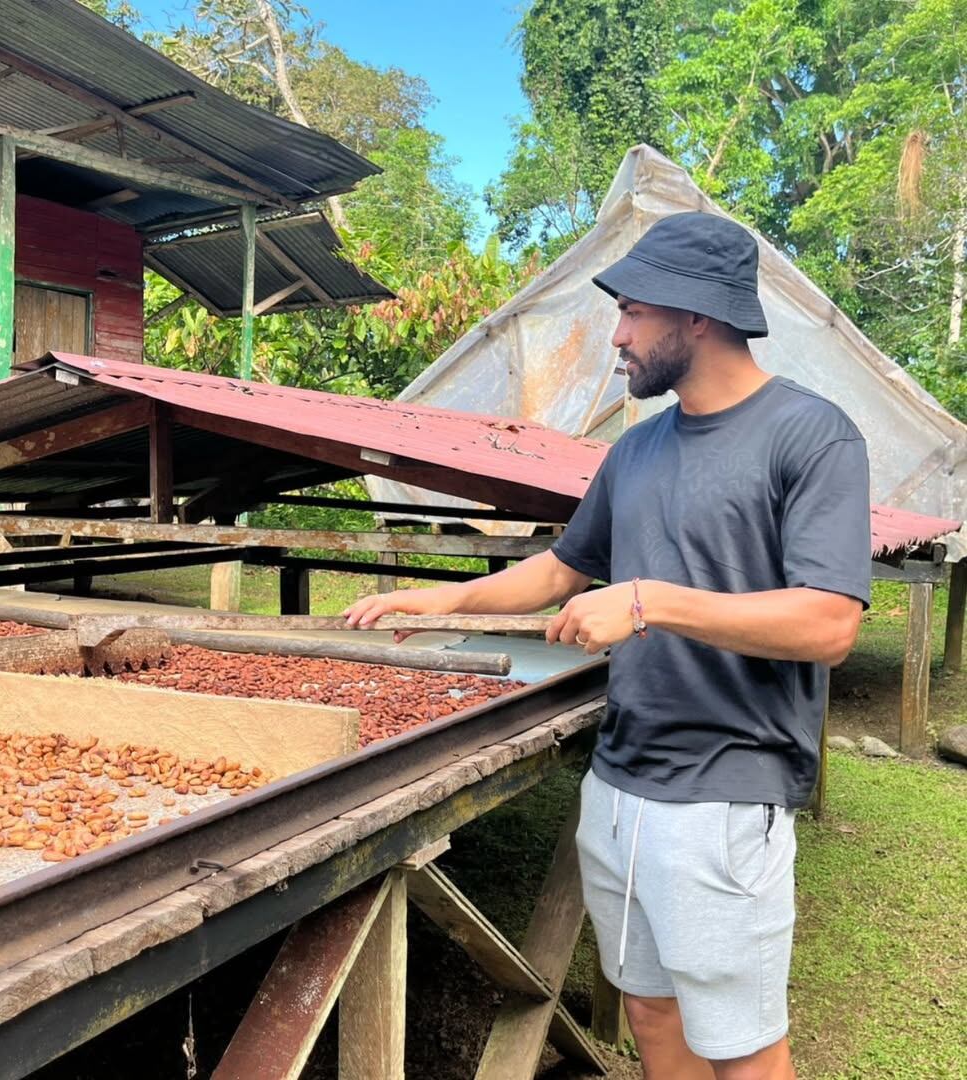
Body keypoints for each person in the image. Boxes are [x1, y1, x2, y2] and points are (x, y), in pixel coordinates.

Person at [343, 211, 871, 1080]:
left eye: (631, 312)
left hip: (726, 794)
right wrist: (439, 598)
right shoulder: (637, 449)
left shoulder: (811, 434)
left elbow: (830, 624)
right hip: (621, 780)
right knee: (650, 1010)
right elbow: (560, 569)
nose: (616, 337)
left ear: (696, 314)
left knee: (742, 1046)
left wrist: (647, 600)